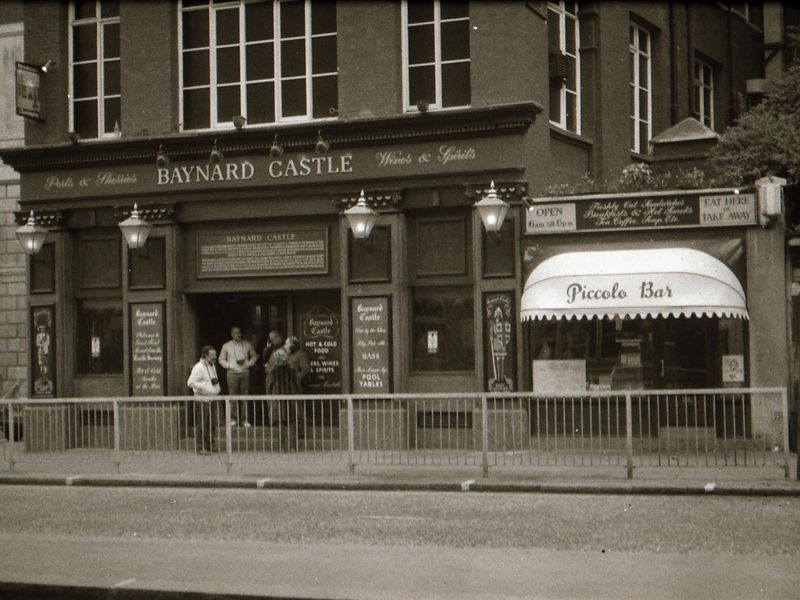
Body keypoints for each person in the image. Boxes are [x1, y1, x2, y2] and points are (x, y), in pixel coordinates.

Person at [219, 326, 257, 427]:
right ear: (232, 334)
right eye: (235, 333)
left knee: (245, 396)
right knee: (233, 396)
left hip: (245, 372)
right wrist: (229, 366)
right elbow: (221, 359)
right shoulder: (226, 346)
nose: (238, 335)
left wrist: (249, 364)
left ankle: (245, 420)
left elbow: (254, 356)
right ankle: (233, 419)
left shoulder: (247, 344)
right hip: (232, 373)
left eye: (239, 332)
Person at [187, 345, 221, 454]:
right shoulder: (199, 367)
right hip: (202, 400)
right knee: (202, 424)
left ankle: (210, 445)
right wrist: (204, 389)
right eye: (212, 355)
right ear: (206, 356)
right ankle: (200, 447)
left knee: (211, 424)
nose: (215, 357)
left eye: (215, 354)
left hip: (212, 399)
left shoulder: (212, 366)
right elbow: (190, 382)